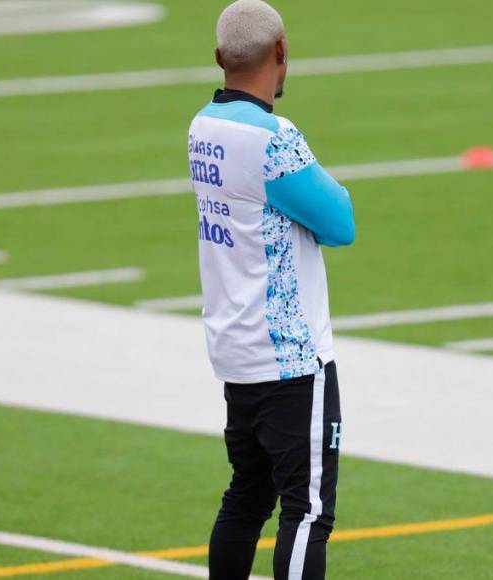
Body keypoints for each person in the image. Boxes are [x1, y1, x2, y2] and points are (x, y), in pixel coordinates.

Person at [186, 1, 356, 578]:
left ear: (219, 58)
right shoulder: (275, 138)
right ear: (281, 51)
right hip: (290, 359)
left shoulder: (202, 125)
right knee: (307, 513)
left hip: (236, 352)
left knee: (246, 497)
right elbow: (340, 223)